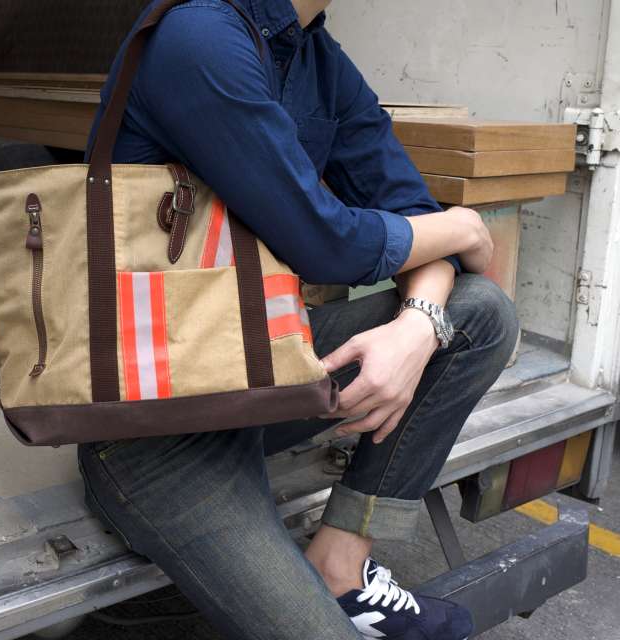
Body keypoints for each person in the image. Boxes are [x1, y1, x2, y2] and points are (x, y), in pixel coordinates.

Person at [78, 0, 517, 638]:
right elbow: (326, 241)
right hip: (157, 426)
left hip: (261, 378)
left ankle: (341, 564)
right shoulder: (198, 36)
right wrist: (464, 225)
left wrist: (419, 323)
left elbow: (408, 207)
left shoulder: (317, 57)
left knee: (479, 312)